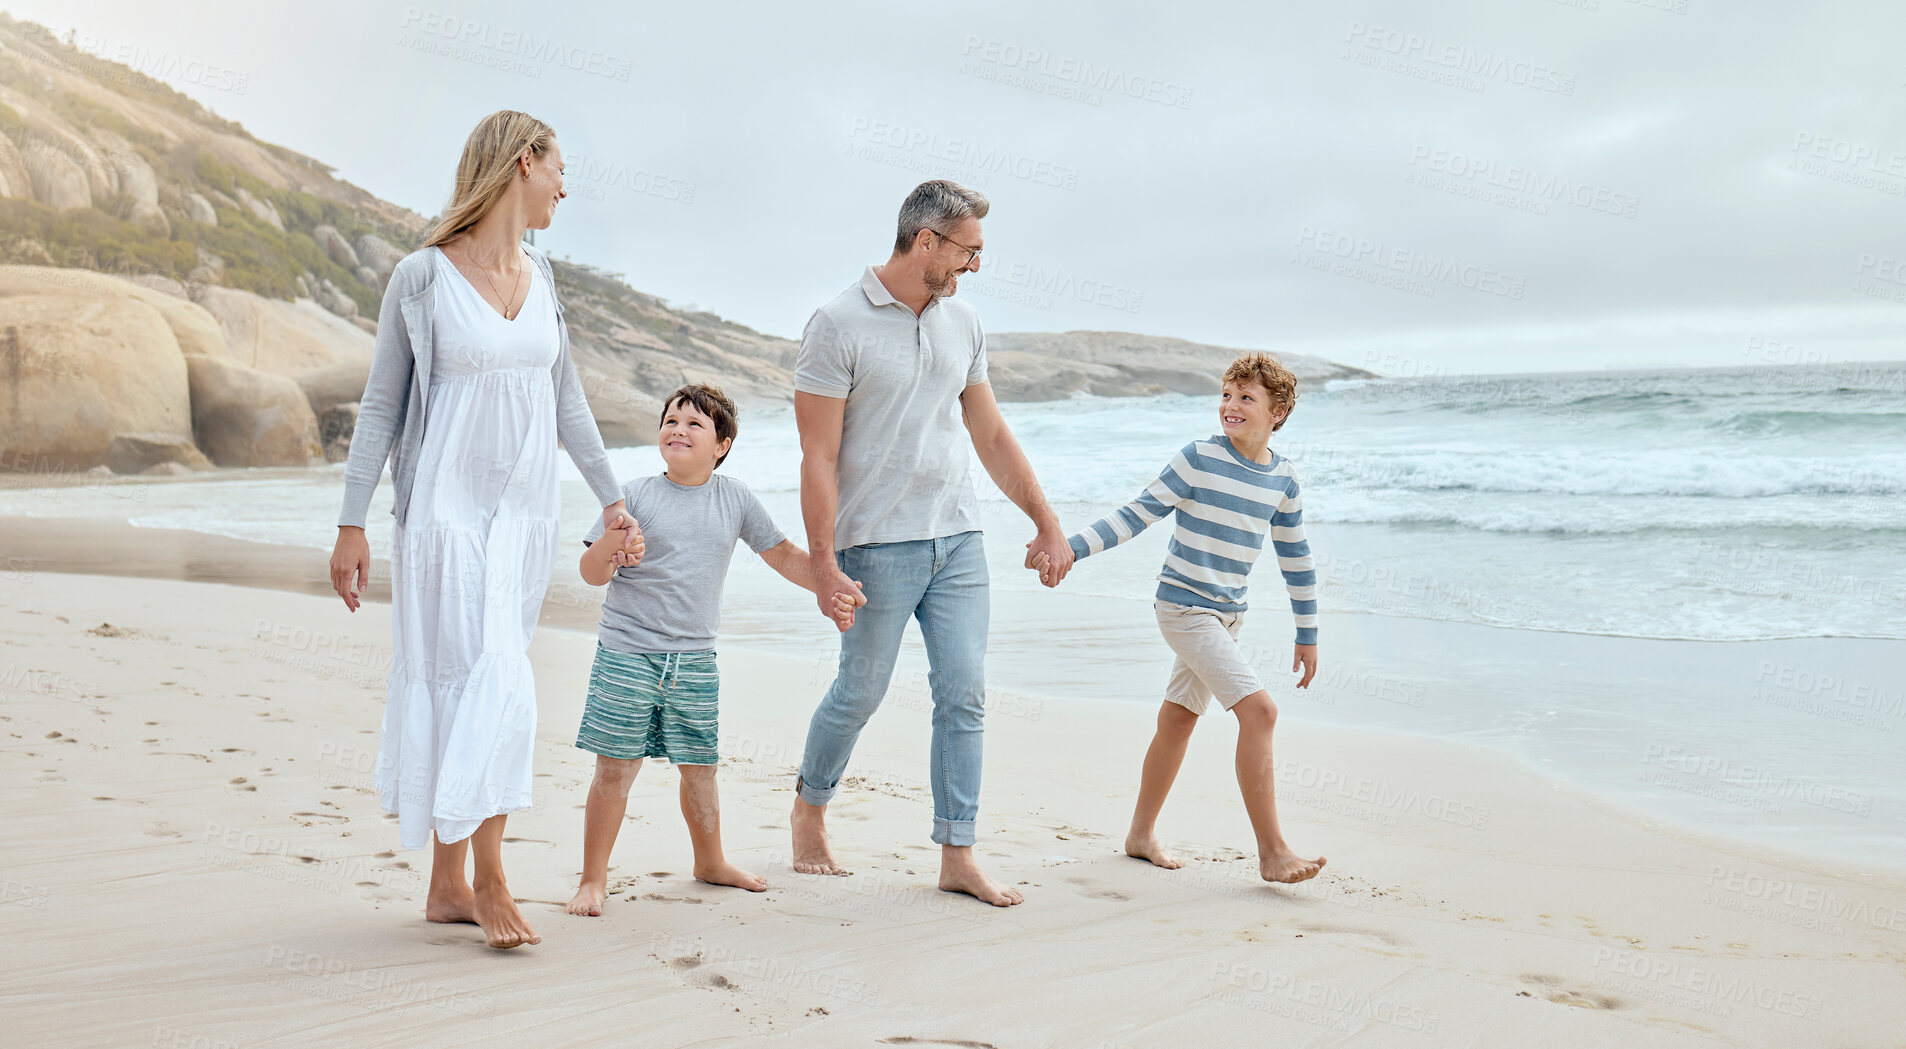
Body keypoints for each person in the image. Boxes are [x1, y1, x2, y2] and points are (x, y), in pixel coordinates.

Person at [328, 110, 634, 948]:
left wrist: (611, 498)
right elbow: (383, 406)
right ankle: (491, 877)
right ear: (525, 162)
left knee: (479, 680)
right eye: (560, 169)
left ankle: (444, 885)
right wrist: (352, 523)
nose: (566, 188)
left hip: (525, 519)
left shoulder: (544, 277)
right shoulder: (420, 280)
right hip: (442, 518)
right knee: (490, 678)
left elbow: (568, 400)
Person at [789, 179, 1073, 907]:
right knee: (861, 689)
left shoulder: (963, 323)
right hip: (876, 545)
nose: (974, 267)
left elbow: (990, 432)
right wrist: (823, 564)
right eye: (969, 253)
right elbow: (817, 457)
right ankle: (810, 806)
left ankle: (957, 850)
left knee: (965, 693)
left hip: (959, 538)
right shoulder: (836, 323)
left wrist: (1045, 518)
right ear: (927, 243)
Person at [1032, 353, 1328, 884]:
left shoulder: (1282, 480)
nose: (1230, 406)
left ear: (1277, 412)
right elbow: (1136, 514)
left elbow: (1297, 559)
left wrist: (1307, 634)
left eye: (1246, 398)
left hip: (1228, 617)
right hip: (1184, 608)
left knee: (1178, 720)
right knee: (1260, 714)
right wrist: (1068, 549)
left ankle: (1140, 835)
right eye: (1226, 395)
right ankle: (1273, 851)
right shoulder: (1198, 459)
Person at [564, 384, 857, 916]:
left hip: (695, 660)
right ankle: (592, 879)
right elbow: (590, 573)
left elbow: (782, 554)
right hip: (627, 654)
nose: (678, 429)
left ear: (721, 444)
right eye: (670, 420)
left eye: (694, 424)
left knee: (700, 767)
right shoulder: (633, 497)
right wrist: (613, 544)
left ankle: (710, 861)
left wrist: (826, 584)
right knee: (615, 769)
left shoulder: (735, 498)